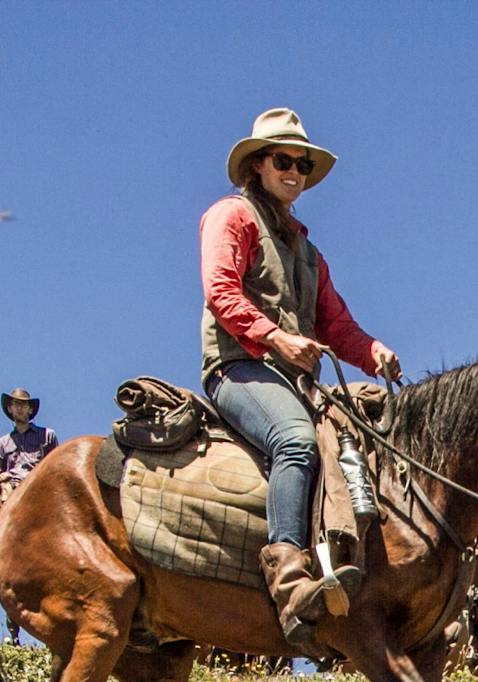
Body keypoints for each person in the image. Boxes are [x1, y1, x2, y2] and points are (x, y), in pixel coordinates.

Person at [199, 107, 403, 648]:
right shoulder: (232, 216)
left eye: (303, 165)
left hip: (296, 379)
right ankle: (289, 585)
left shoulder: (309, 252)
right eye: (284, 160)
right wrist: (277, 338)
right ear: (258, 166)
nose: (295, 172)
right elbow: (221, 292)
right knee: (295, 440)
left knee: (367, 434)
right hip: (239, 368)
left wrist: (374, 351)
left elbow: (337, 325)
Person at [0, 388, 58, 499]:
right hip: (11, 490)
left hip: (38, 486)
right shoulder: (2, 443)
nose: (19, 408)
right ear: (10, 409)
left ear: (30, 409)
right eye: (16, 404)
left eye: (23, 404)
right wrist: (1, 477)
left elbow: (56, 467)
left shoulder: (47, 435)